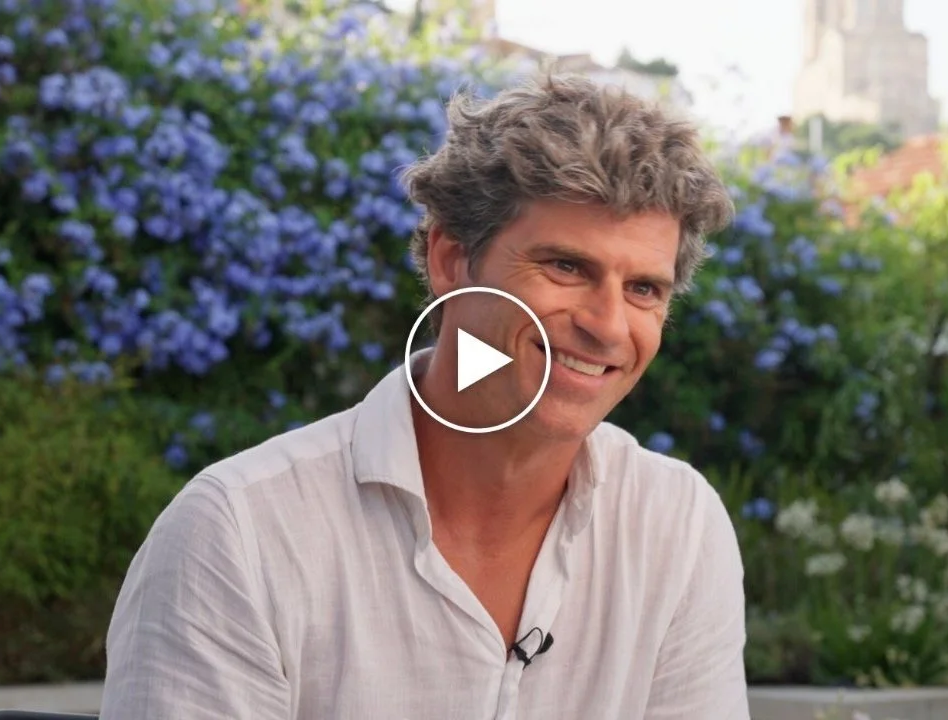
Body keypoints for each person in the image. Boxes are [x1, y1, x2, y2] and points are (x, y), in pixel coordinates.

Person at [100, 73, 748, 719]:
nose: (608, 327)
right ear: (450, 260)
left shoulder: (678, 527)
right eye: (566, 266)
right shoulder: (239, 534)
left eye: (643, 290)